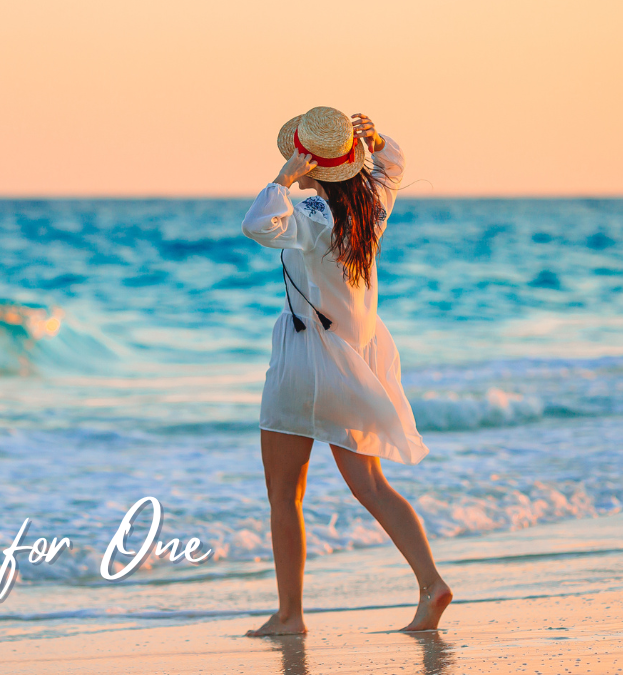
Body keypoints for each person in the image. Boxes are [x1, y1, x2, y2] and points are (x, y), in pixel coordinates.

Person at [240, 106, 452, 636]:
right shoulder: (372, 204)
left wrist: (284, 178)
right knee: (371, 486)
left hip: (307, 363)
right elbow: (394, 162)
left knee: (284, 494)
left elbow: (258, 224)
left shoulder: (312, 215)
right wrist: (376, 138)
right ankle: (431, 583)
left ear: (310, 160)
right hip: (355, 360)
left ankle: (291, 616)